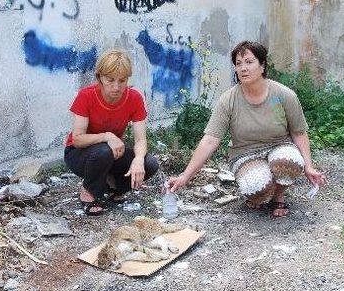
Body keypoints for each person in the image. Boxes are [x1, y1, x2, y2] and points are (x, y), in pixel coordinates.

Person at [168, 41, 326, 217]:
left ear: (262, 65)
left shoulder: (283, 95)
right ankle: (260, 193)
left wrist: (309, 167)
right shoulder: (228, 100)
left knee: (289, 161)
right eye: (238, 63)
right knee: (256, 187)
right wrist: (185, 176)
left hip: (279, 146)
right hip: (245, 154)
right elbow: (210, 140)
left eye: (249, 62)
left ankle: (278, 195)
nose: (243, 68)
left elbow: (299, 132)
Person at [64, 50, 159, 215]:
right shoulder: (86, 96)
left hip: (111, 153)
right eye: (110, 80)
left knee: (149, 163)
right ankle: (89, 192)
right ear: (100, 77)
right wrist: (107, 136)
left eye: (122, 81)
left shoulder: (134, 98)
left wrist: (138, 160)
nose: (116, 87)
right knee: (103, 150)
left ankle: (113, 186)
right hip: (79, 154)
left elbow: (140, 140)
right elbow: (77, 139)